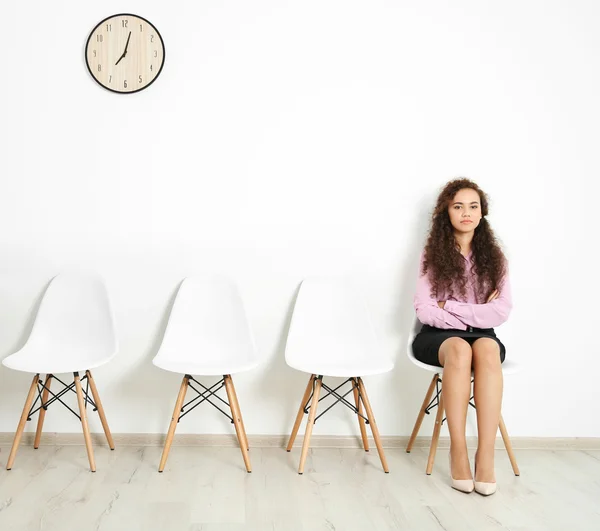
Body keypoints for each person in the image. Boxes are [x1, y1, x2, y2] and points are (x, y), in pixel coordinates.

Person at [412, 178, 512, 496]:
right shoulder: (431, 256)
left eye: (473, 206)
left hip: (483, 336)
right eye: (458, 206)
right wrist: (472, 313)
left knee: (485, 350)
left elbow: (501, 312)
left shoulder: (496, 259)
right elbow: (424, 309)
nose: (466, 212)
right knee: (458, 348)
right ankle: (457, 451)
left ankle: (485, 455)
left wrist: (452, 307)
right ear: (448, 213)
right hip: (437, 337)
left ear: (482, 213)